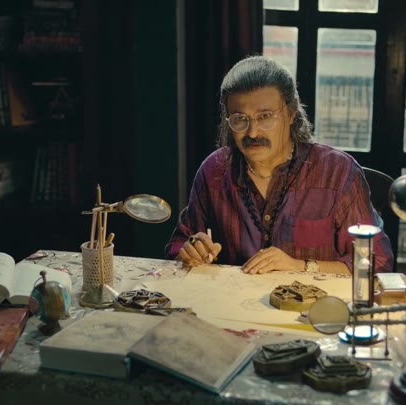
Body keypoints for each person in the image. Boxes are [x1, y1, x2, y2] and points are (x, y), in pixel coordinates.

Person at [165, 55, 393, 275]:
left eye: (265, 116)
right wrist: (191, 250)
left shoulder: (337, 172)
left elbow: (377, 263)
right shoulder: (213, 170)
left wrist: (299, 266)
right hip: (233, 300)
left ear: (292, 113)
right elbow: (178, 245)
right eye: (240, 119)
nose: (252, 132)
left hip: (315, 302)